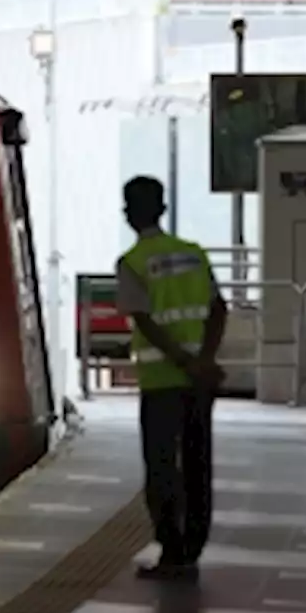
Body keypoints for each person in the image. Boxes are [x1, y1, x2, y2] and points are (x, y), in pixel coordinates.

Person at [115, 176, 228, 579]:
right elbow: (219, 310)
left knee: (163, 466)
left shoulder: (132, 262)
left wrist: (182, 360)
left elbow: (144, 322)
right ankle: (193, 548)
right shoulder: (193, 255)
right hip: (199, 383)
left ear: (129, 213)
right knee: (198, 464)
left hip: (162, 382)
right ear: (162, 209)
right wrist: (205, 361)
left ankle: (172, 550)